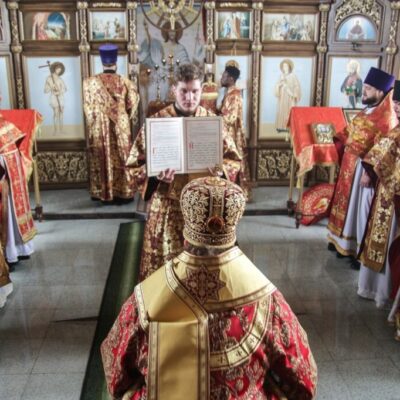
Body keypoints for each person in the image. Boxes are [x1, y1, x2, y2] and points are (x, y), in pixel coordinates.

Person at [101, 176, 318, 400]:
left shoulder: (145, 298)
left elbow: (115, 375)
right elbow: (304, 381)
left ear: (185, 232)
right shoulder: (269, 302)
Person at [126, 64, 242, 281]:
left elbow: (233, 159)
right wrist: (154, 176)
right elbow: (133, 164)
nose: (190, 98)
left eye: (195, 91)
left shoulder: (211, 121)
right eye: (184, 91)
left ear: (202, 90)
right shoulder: (157, 121)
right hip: (167, 205)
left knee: (202, 271)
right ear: (174, 90)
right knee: (166, 267)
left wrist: (220, 171)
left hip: (205, 207)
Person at [327, 67, 397, 263]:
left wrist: (369, 173)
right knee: (346, 205)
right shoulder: (367, 110)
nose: (362, 91)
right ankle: (340, 241)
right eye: (364, 87)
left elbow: (384, 150)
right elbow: (350, 132)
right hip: (350, 166)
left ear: (380, 92)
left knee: (360, 209)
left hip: (365, 170)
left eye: (368, 88)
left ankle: (357, 249)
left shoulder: (387, 118)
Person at [356, 80, 400, 308]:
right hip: (386, 195)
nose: (398, 108)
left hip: (395, 197)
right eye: (396, 103)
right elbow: (377, 159)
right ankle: (372, 289)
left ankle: (385, 292)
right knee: (378, 238)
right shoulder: (395, 131)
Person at [83, 44, 139, 203]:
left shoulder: (89, 83)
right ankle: (123, 193)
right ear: (116, 62)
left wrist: (97, 120)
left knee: (101, 155)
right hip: (120, 126)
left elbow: (88, 108)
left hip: (98, 128)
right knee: (122, 156)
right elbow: (132, 104)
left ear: (102, 62)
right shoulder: (126, 82)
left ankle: (101, 193)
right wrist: (121, 116)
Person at [0, 115, 36, 264]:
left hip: (5, 183)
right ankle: (19, 249)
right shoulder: (6, 125)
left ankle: (11, 252)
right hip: (11, 181)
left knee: (9, 216)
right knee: (12, 215)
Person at [218, 61, 252, 200]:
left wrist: (215, 118)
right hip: (226, 134)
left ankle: (236, 193)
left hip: (231, 135)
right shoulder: (229, 93)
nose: (221, 78)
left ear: (231, 79)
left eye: (224, 76)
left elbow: (230, 117)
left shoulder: (235, 95)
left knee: (232, 163)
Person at [274, 59, 301, 131]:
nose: (284, 68)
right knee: (282, 111)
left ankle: (289, 127)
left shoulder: (293, 76)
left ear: (289, 67)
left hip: (290, 97)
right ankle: (282, 127)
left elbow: (297, 87)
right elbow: (277, 86)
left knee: (289, 111)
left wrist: (292, 92)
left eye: (286, 66)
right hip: (282, 97)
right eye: (283, 66)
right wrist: (279, 85)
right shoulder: (281, 76)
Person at [44, 61, 66, 135]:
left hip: (60, 98)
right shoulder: (49, 79)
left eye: (60, 70)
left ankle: (61, 130)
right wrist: (51, 87)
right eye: (57, 69)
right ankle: (56, 130)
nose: (58, 71)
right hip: (54, 98)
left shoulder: (60, 79)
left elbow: (64, 88)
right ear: (54, 69)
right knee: (56, 113)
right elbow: (45, 90)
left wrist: (59, 92)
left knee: (61, 113)